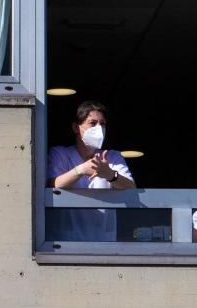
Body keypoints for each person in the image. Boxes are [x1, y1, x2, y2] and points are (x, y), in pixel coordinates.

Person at [47, 100, 135, 242]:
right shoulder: (60, 154)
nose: (99, 129)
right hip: (66, 243)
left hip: (104, 242)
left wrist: (110, 175)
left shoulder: (112, 157)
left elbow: (131, 187)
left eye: (102, 123)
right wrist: (81, 169)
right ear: (76, 127)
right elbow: (54, 184)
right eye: (92, 123)